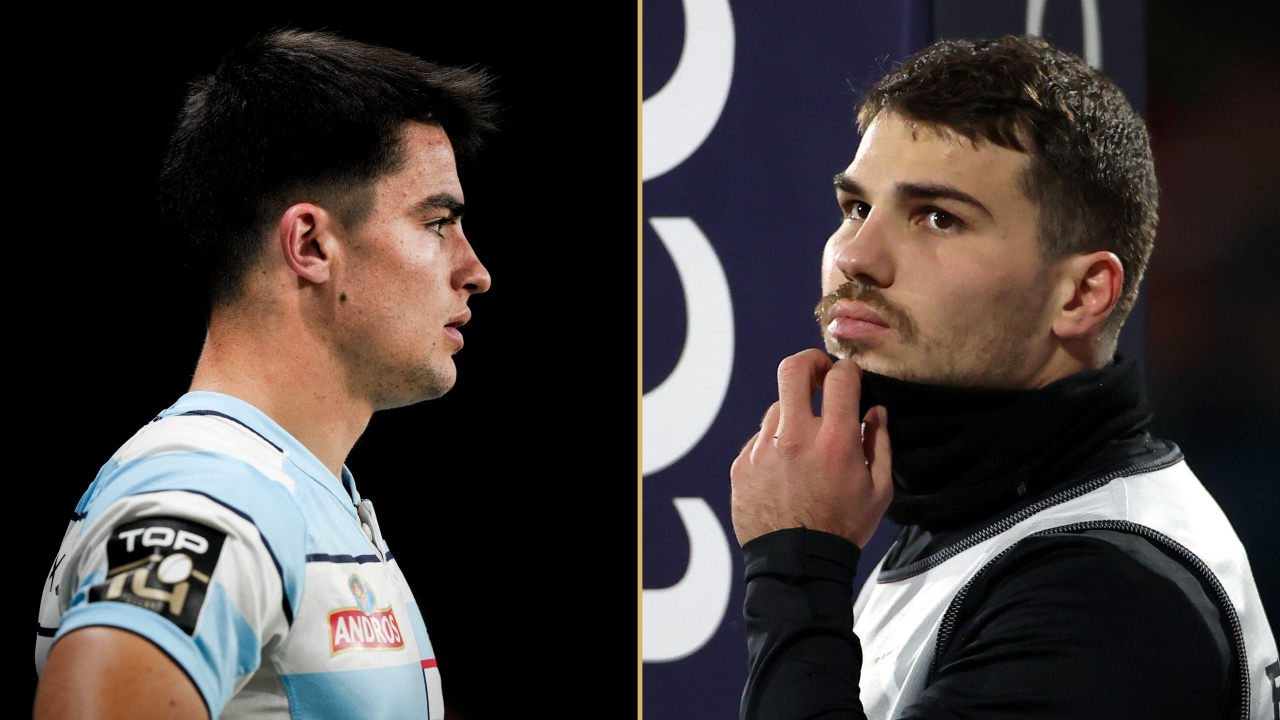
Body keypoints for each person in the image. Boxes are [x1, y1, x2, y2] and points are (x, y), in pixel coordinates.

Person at [730, 35, 1277, 720]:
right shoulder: (988, 507)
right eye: (856, 208)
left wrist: (798, 564)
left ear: (1081, 295)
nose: (857, 258)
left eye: (938, 218)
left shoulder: (1110, 600)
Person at [33, 29, 494, 720]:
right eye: (436, 222)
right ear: (310, 244)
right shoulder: (208, 493)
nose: (475, 272)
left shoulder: (291, 488)